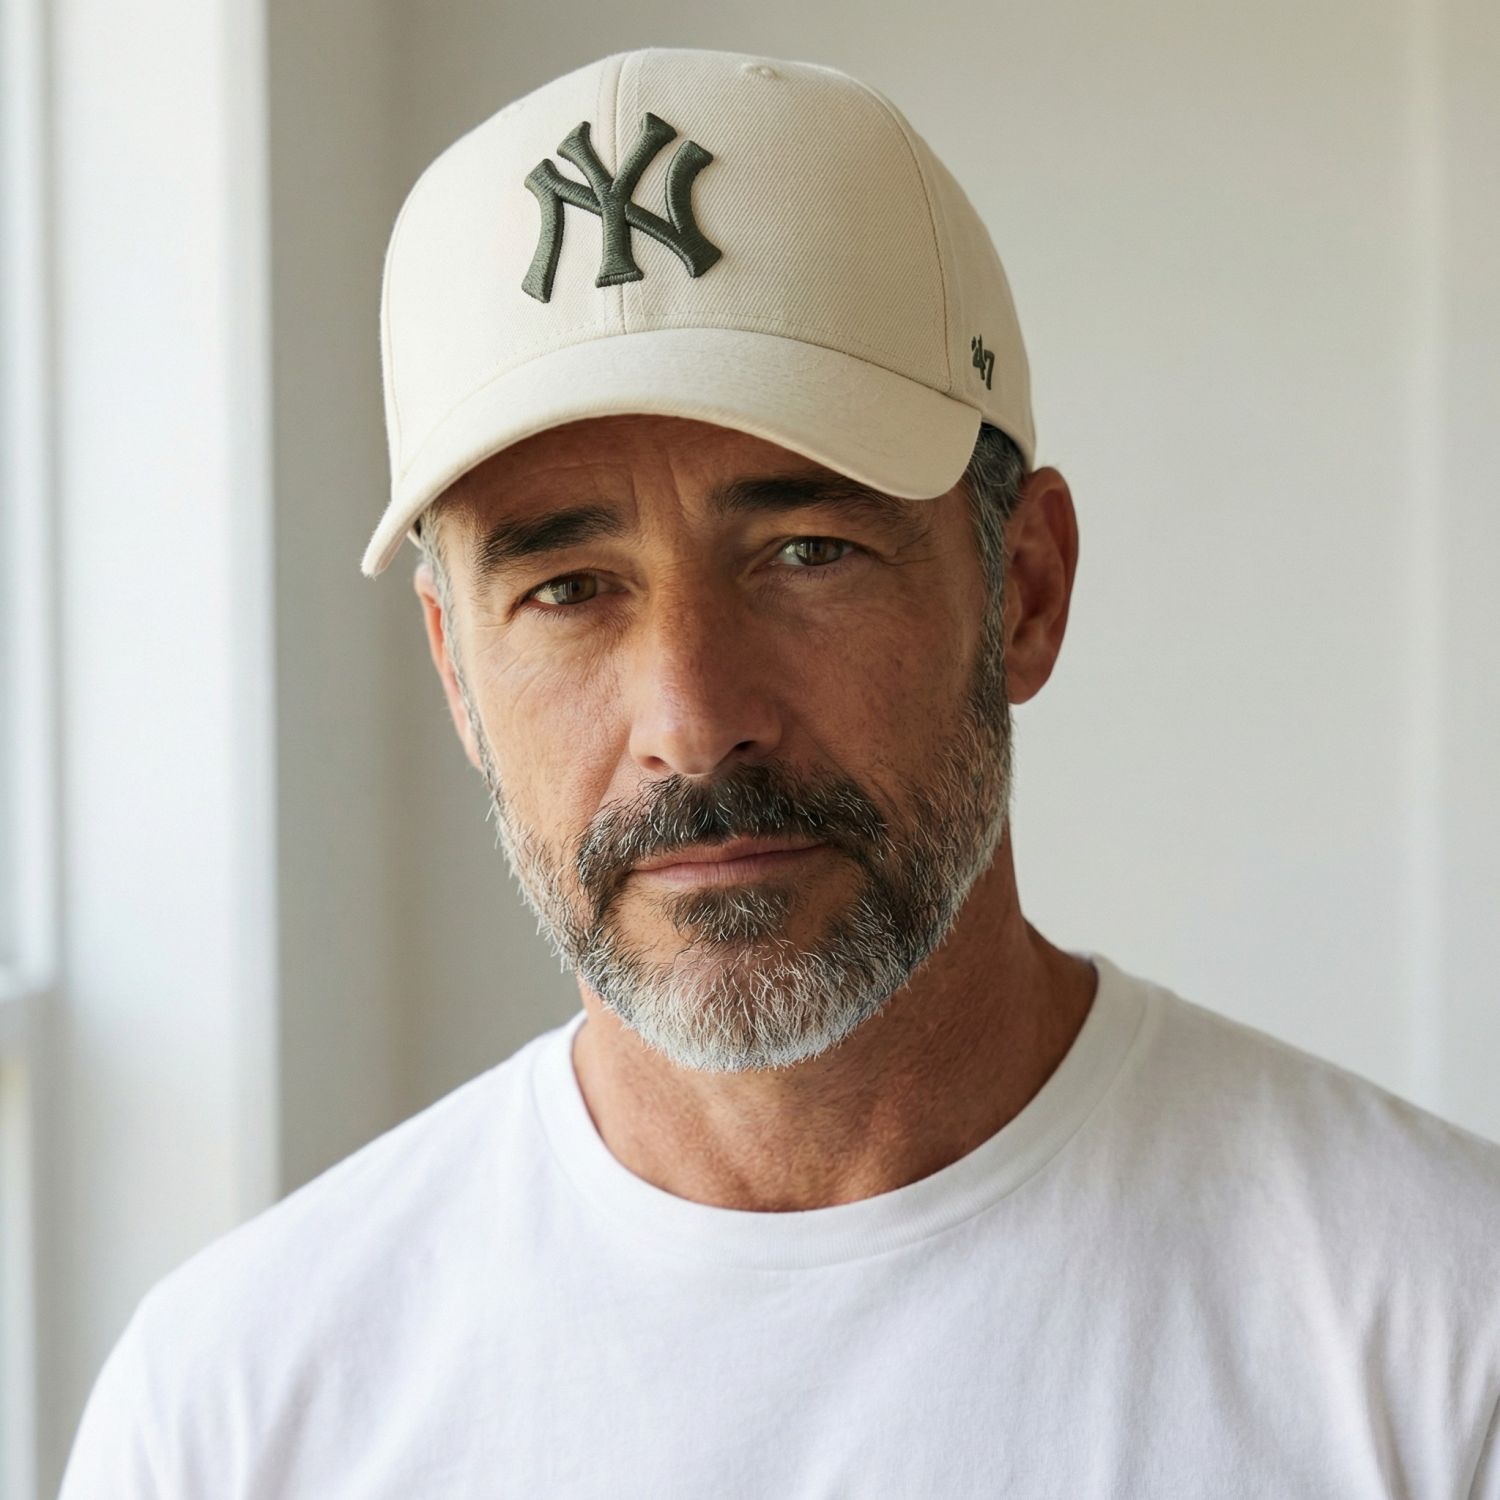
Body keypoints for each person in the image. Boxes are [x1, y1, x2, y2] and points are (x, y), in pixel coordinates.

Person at [61, 46, 1500, 1499]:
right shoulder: (230, 1417)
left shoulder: (1440, 1340)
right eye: (567, 589)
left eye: (809, 553)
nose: (692, 721)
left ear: (1026, 591)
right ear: (457, 674)